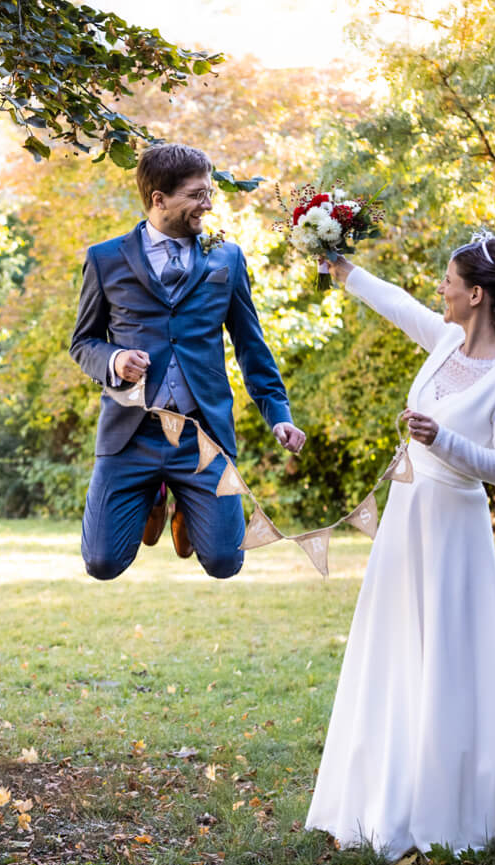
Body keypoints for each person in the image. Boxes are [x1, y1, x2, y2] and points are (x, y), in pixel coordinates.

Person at [305, 233, 495, 859]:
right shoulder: (444, 340)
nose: (439, 290)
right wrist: (346, 272)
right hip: (406, 517)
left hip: (454, 527)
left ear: (476, 294)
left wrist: (442, 440)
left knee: (447, 658)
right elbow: (398, 304)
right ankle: (385, 789)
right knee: (395, 650)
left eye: (448, 281)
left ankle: (450, 803)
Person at [69, 143, 306, 580]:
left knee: (224, 562)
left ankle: (184, 508)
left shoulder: (227, 258)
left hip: (203, 435)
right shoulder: (105, 259)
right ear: (159, 199)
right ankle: (155, 495)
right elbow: (82, 342)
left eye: (209, 192)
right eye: (197, 195)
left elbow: (251, 346)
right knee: (101, 564)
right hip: (130, 434)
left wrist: (279, 415)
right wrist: (115, 358)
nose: (208, 204)